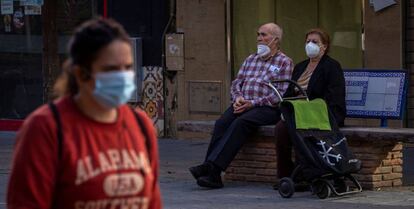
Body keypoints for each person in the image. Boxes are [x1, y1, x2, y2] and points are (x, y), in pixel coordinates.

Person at [7, 18, 162, 209]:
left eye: (128, 67)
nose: (122, 76)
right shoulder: (45, 128)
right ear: (81, 74)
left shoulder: (141, 125)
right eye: (110, 69)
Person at [189, 23, 293, 189]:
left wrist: (252, 103)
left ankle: (212, 169)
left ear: (275, 40)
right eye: (258, 34)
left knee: (241, 123)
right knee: (222, 123)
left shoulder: (284, 62)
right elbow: (237, 82)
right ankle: (211, 172)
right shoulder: (251, 59)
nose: (259, 38)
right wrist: (238, 98)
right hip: (243, 103)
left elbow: (279, 95)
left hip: (267, 108)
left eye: (264, 35)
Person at [275, 28, 346, 180]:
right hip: (297, 112)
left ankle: (306, 175)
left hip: (319, 113)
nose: (310, 45)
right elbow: (289, 92)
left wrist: (310, 108)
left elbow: (335, 97)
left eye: (314, 42)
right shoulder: (300, 66)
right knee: (281, 129)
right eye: (307, 41)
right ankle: (285, 176)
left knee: (300, 130)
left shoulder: (331, 66)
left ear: (324, 46)